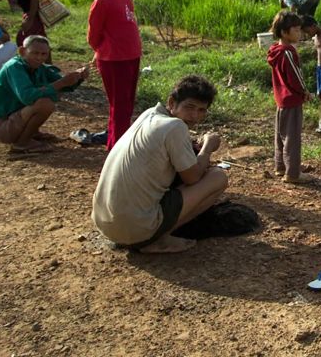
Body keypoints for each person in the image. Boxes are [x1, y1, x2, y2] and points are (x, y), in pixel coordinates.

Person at [91, 75, 229, 254]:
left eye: (202, 110)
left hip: (105, 223)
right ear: (172, 102)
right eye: (190, 107)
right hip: (134, 230)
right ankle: (157, 238)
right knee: (218, 177)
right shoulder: (175, 127)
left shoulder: (150, 114)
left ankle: (150, 231)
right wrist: (208, 147)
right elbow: (192, 177)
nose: (195, 116)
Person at [0, 35, 88, 154]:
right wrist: (61, 83)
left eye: (43, 54)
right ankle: (22, 144)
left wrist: (79, 77)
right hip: (2, 126)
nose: (39, 58)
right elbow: (28, 97)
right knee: (45, 104)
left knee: (47, 96)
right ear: (22, 51)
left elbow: (65, 86)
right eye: (35, 53)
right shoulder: (14, 67)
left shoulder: (39, 68)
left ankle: (32, 134)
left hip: (14, 118)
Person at [87, 0, 142, 151]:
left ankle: (118, 144)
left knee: (127, 104)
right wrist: (100, 51)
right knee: (119, 107)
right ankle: (117, 150)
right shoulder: (102, 1)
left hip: (132, 56)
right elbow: (94, 35)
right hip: (114, 60)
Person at [267, 10, 313, 184]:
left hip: (281, 100)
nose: (300, 34)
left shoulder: (275, 50)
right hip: (292, 100)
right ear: (285, 32)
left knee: (281, 135)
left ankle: (280, 167)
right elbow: (295, 77)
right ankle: (293, 174)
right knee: (292, 138)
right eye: (296, 30)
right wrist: (304, 92)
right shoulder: (287, 51)